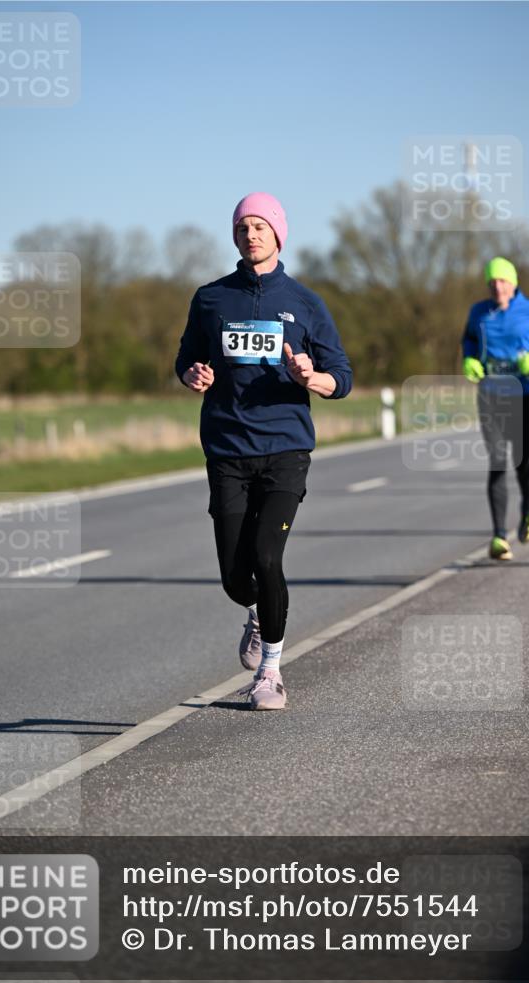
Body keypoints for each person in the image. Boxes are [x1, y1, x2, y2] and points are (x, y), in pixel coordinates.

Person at [175, 192, 352, 709]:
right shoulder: (210, 298)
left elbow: (342, 376)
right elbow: (187, 357)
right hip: (227, 448)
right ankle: (255, 612)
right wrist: (192, 373)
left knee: (266, 555)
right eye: (242, 227)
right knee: (235, 574)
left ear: (278, 234)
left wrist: (311, 377)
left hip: (285, 448)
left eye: (259, 226)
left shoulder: (304, 302)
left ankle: (270, 673)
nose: (250, 234)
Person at [461, 256, 529, 560]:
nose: (497, 286)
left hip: (525, 396)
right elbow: (467, 338)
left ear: (514, 282)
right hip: (491, 396)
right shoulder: (478, 312)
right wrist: (469, 358)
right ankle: (498, 536)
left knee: (521, 462)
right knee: (496, 461)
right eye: (492, 281)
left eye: (503, 280)